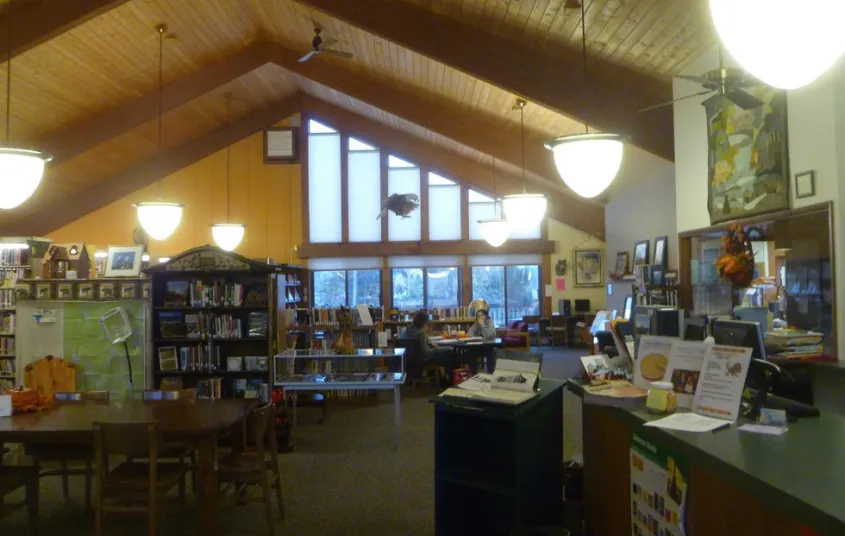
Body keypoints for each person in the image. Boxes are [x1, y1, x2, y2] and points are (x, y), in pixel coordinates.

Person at [403, 310, 456, 377]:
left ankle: (445, 379)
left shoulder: (408, 330)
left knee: (446, 355)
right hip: (422, 360)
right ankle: (450, 379)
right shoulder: (420, 333)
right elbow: (426, 353)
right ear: (423, 322)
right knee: (448, 355)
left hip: (410, 360)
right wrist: (438, 349)